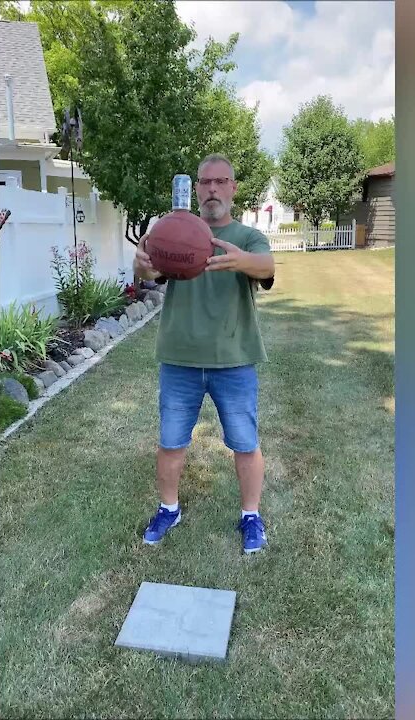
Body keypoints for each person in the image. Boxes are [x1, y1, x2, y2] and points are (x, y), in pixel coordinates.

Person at [132, 154, 277, 554]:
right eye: (205, 182)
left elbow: (267, 266)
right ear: (195, 189)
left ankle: (251, 516)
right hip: (179, 358)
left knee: (245, 443)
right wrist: (141, 265)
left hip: (234, 359)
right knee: (171, 441)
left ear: (232, 187)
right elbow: (148, 272)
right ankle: (169, 508)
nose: (212, 189)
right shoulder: (173, 231)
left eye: (221, 181)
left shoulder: (246, 237)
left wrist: (240, 261)